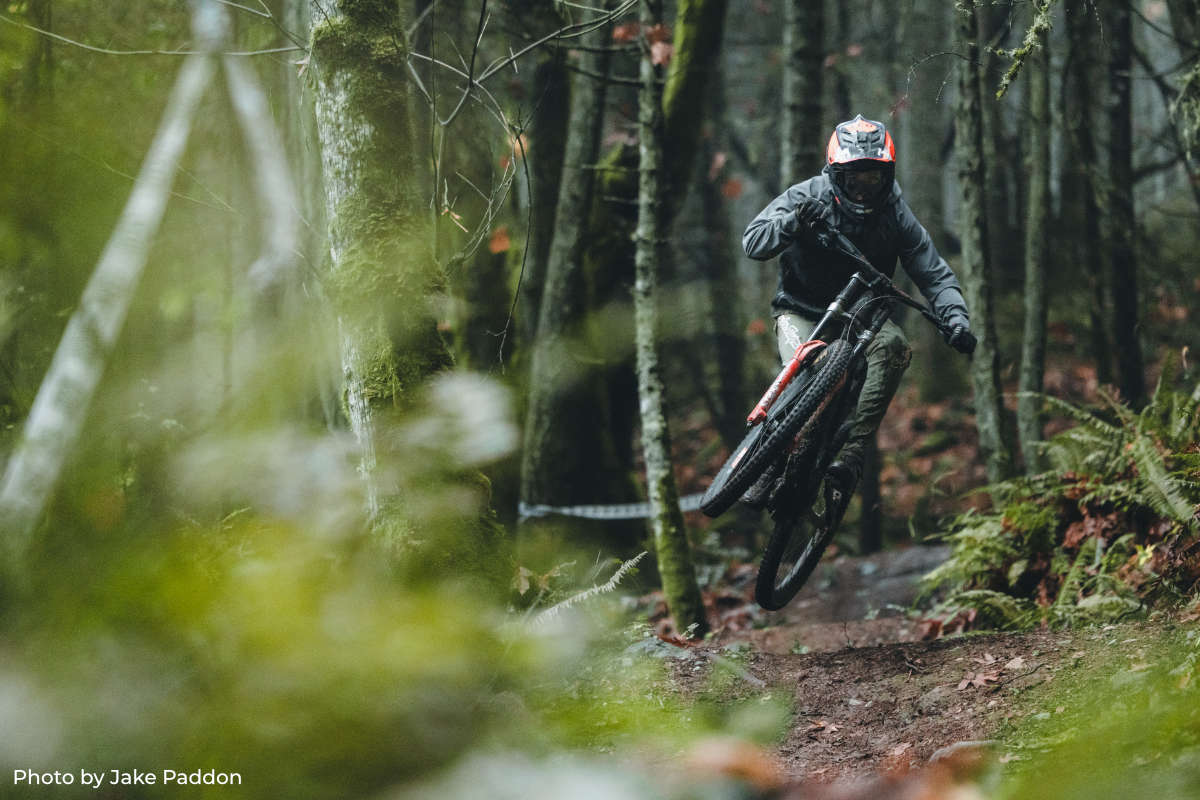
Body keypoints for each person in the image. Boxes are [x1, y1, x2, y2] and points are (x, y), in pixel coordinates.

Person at [742, 114, 976, 501]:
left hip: (862, 318)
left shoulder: (896, 215)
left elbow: (933, 273)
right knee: (808, 369)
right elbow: (753, 242)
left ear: (888, 176)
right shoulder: (807, 195)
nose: (864, 191)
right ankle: (773, 449)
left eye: (873, 180)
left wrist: (956, 319)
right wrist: (793, 221)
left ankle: (851, 456)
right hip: (800, 310)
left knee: (895, 347)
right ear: (836, 176)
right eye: (854, 181)